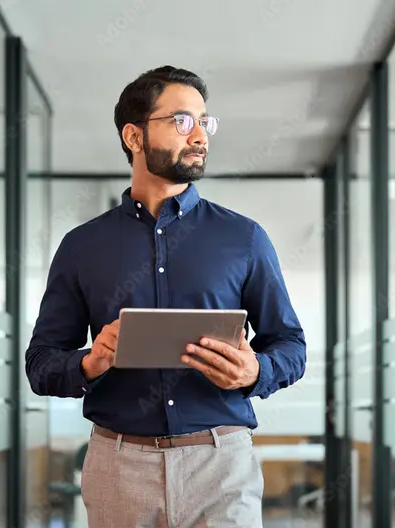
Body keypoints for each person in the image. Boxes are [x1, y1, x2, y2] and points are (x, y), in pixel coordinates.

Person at [25, 65, 306, 528]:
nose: (200, 135)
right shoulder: (81, 247)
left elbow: (290, 343)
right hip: (119, 466)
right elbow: (41, 362)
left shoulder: (245, 238)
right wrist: (89, 363)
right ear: (134, 137)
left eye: (204, 121)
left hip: (221, 463)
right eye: (182, 121)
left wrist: (258, 369)